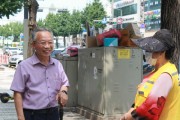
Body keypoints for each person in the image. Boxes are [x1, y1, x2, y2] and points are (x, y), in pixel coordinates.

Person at [10, 28, 70, 120]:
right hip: (32, 114)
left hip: (53, 113)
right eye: (43, 43)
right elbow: (17, 92)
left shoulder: (57, 65)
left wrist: (63, 92)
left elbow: (64, 83)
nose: (47, 46)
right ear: (33, 45)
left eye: (50, 42)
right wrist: (20, 117)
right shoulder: (24, 66)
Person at [120, 29, 180, 120]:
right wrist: (132, 108)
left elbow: (151, 107)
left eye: (153, 51)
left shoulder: (166, 75)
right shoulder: (157, 71)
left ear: (162, 52)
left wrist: (128, 117)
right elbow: (143, 97)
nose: (150, 55)